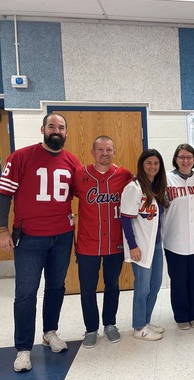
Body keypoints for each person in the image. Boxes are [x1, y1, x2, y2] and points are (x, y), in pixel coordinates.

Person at [0, 113, 81, 372]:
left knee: (56, 287)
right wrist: (1, 229)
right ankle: (23, 348)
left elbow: (83, 193)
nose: (57, 130)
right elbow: (4, 196)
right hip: (30, 237)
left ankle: (49, 332)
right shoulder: (21, 157)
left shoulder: (71, 161)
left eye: (61, 127)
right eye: (52, 126)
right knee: (25, 293)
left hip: (62, 236)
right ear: (42, 129)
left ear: (66, 132)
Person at [73, 135, 132, 348]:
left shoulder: (124, 175)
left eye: (109, 150)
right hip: (87, 244)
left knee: (113, 285)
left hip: (114, 243)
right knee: (87, 288)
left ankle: (110, 324)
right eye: (100, 149)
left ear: (114, 152)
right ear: (93, 152)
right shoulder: (79, 175)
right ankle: (90, 328)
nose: (104, 154)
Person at [120, 149, 169, 341]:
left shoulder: (156, 187)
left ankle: (146, 321)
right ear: (142, 165)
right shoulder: (134, 187)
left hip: (156, 245)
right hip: (140, 246)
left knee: (155, 285)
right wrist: (132, 246)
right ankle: (139, 326)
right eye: (149, 163)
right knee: (142, 288)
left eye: (156, 163)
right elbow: (125, 219)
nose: (153, 167)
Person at [163, 144, 194, 330]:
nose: (185, 160)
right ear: (175, 159)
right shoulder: (166, 179)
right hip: (175, 241)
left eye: (189, 157)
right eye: (181, 157)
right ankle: (181, 316)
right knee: (179, 280)